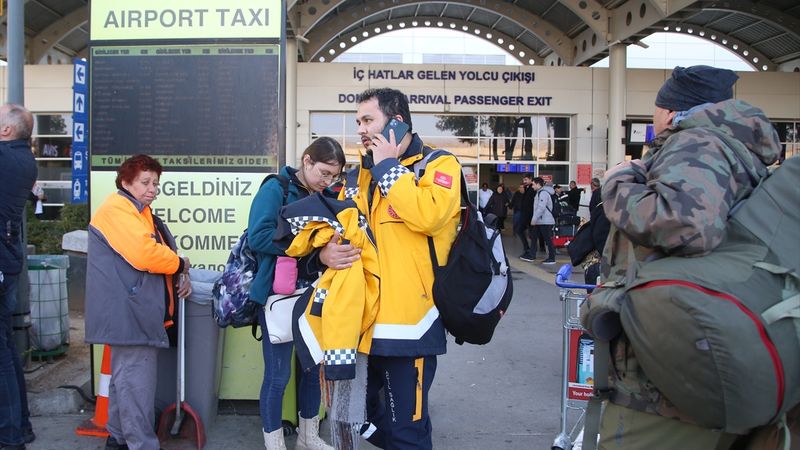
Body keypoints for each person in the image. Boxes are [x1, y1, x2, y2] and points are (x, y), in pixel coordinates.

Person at [589, 65, 782, 449]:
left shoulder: (696, 143)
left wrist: (618, 180)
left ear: (672, 111)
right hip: (705, 353)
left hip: (667, 379)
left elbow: (684, 224)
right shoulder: (735, 149)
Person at [321, 87, 462, 449]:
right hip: (362, 326)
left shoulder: (439, 165)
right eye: (358, 122)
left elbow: (429, 215)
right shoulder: (358, 177)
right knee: (363, 420)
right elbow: (334, 228)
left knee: (405, 432)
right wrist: (325, 253)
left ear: (396, 123)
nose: (361, 130)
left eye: (368, 120)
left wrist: (387, 167)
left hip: (410, 328)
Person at [85, 154, 192, 450]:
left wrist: (179, 271)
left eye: (156, 183)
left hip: (129, 311)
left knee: (125, 383)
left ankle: (118, 439)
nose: (153, 188)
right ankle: (141, 444)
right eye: (145, 182)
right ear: (125, 182)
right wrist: (181, 264)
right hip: (129, 312)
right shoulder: (119, 210)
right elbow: (145, 255)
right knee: (136, 386)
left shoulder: (137, 211)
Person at [249, 138, 344, 450]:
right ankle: (275, 444)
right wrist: (306, 242)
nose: (328, 182)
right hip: (279, 296)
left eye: (335, 176)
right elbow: (258, 237)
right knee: (277, 377)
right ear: (306, 161)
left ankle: (308, 437)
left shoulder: (326, 196)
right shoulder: (274, 189)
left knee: (312, 369)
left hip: (314, 294)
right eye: (324, 173)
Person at [0, 103, 37, 450]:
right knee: (7, 349)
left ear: (8, 131)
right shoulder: (23, 159)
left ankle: (10, 437)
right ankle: (20, 427)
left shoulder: (6, 158)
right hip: (7, 263)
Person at [529, 177, 556, 264]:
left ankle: (552, 258)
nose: (532, 186)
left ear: (538, 184)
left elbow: (541, 208)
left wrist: (534, 219)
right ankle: (532, 255)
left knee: (547, 239)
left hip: (545, 221)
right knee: (533, 237)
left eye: (533, 184)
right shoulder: (539, 193)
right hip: (540, 220)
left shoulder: (543, 193)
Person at [518, 173, 536, 262]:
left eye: (526, 180)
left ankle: (531, 252)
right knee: (520, 230)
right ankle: (527, 249)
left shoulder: (533, 189)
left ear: (530, 179)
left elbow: (532, 204)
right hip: (526, 216)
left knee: (533, 235)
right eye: (524, 180)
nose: (524, 181)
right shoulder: (527, 188)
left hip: (530, 216)